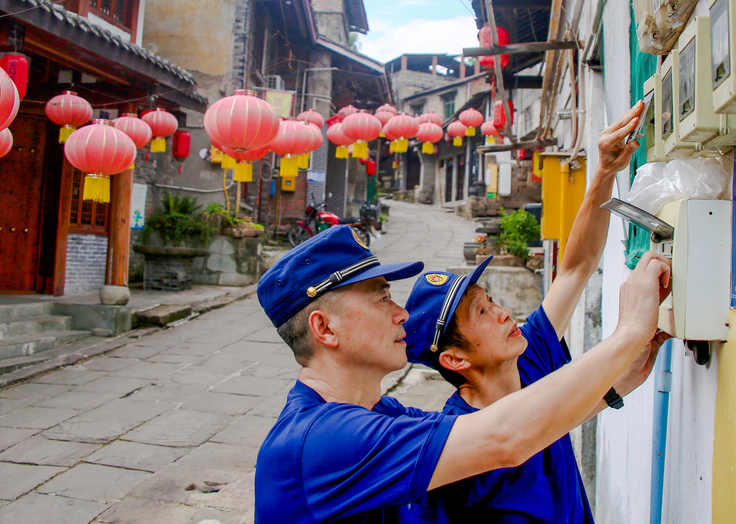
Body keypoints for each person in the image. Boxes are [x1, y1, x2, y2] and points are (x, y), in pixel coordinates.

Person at [254, 221, 671, 522]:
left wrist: (613, 386)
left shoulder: (381, 414)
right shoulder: (321, 441)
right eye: (382, 300)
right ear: (324, 328)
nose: (402, 314)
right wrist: (629, 332)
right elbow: (503, 440)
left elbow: (501, 436)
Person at [401, 103, 668, 522]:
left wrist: (604, 172)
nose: (505, 313)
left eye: (492, 301)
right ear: (455, 359)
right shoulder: (459, 444)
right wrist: (629, 332)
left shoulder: (530, 361)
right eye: (483, 314)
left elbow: (576, 267)